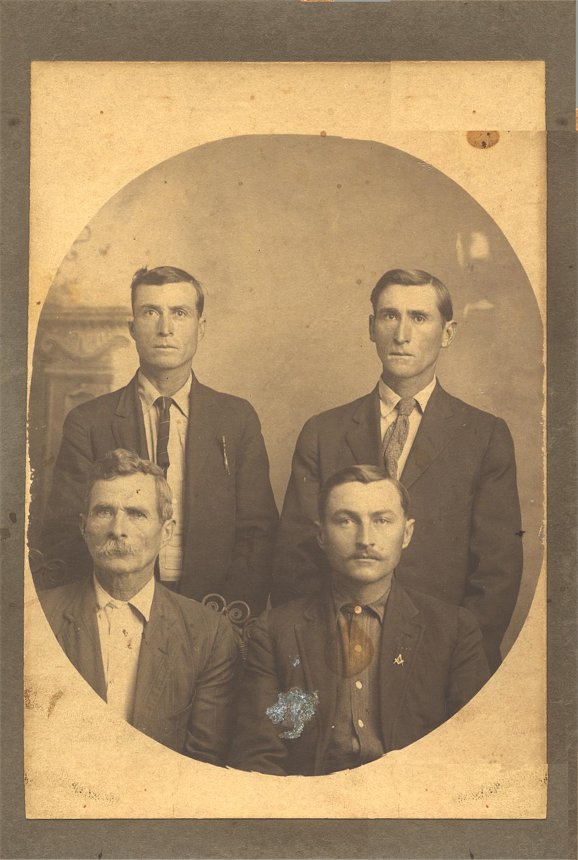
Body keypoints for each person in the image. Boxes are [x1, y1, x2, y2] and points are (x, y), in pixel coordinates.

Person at [273, 268, 522, 671]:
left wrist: (458, 656)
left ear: (447, 333)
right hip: (335, 653)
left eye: (419, 318)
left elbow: (498, 570)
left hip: (443, 657)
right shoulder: (324, 432)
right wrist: (326, 650)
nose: (401, 334)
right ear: (372, 327)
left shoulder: (484, 435)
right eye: (390, 316)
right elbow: (296, 558)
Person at [39, 265, 278, 618]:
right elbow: (67, 532)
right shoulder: (88, 423)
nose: (165, 328)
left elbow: (258, 534)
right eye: (151, 312)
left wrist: (226, 620)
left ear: (200, 327)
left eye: (179, 313)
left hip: (214, 611)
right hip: (115, 612)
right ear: (132, 328)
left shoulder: (236, 419)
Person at [229, 466, 490, 776]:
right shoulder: (275, 631)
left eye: (382, 520)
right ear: (321, 535)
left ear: (406, 534)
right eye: (346, 520)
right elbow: (258, 756)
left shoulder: (453, 630)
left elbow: (472, 751)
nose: (365, 539)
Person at [39, 449, 239, 763]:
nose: (118, 529)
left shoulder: (209, 634)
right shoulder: (36, 617)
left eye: (136, 514)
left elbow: (203, 761)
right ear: (83, 526)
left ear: (167, 532)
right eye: (104, 511)